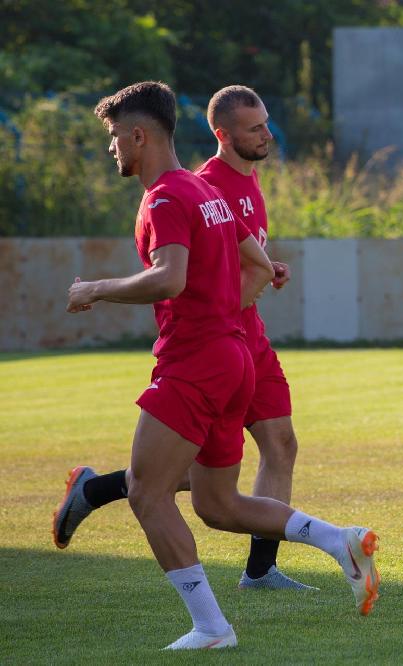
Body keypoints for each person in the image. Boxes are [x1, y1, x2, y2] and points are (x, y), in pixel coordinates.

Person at [58, 81, 379, 650]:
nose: (112, 147)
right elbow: (257, 257)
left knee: (147, 492)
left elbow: (170, 278)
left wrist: (96, 288)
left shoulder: (165, 198)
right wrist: (254, 281)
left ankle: (211, 627)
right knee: (217, 503)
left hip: (195, 360)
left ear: (139, 135)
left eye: (115, 136)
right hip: (233, 357)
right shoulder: (202, 189)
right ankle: (339, 540)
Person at [54, 84, 311, 592]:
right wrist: (232, 303)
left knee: (278, 445)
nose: (266, 134)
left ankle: (261, 570)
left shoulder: (247, 180)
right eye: (255, 128)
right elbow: (191, 277)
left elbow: (238, 258)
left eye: (265, 123)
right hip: (219, 343)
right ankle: (98, 491)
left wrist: (265, 266)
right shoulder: (202, 184)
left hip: (245, 340)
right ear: (223, 135)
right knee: (197, 471)